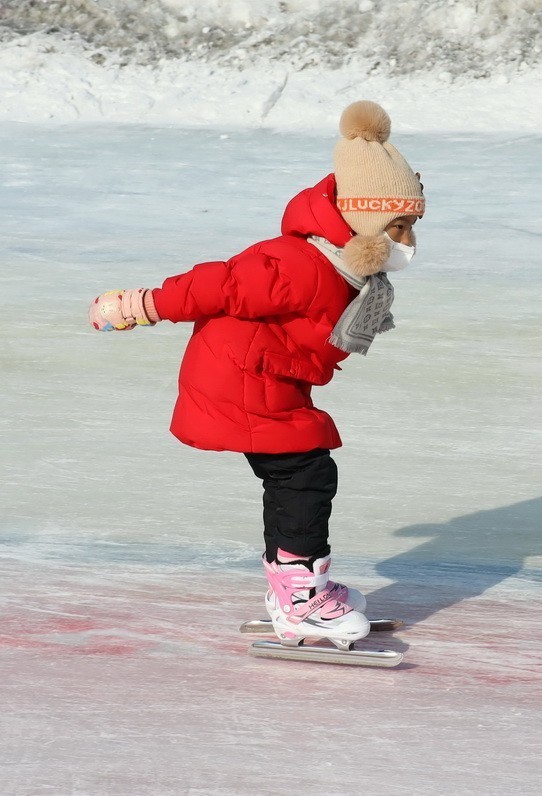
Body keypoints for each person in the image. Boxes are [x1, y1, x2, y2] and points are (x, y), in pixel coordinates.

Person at [88, 100, 424, 650]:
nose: (407, 242)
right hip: (241, 382)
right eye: (398, 227)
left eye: (410, 227)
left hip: (267, 380)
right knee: (304, 476)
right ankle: (299, 597)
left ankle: (297, 583)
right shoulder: (294, 264)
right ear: (363, 221)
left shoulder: (339, 266)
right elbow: (214, 285)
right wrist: (140, 303)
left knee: (301, 472)